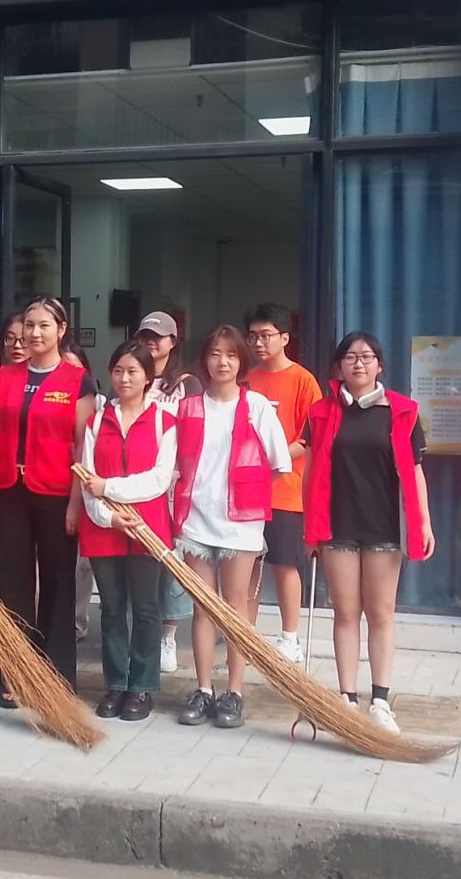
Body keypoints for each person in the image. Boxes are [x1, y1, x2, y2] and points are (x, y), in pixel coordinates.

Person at [303, 331, 436, 735]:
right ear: (338, 366)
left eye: (366, 356)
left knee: (380, 613)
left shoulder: (403, 411)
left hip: (385, 526)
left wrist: (424, 522)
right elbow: (310, 471)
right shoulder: (321, 412)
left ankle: (380, 700)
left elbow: (415, 472)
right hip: (337, 524)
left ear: (380, 365)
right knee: (345, 613)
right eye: (350, 357)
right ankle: (347, 699)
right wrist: (310, 527)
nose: (358, 363)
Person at [173, 325, 291, 729]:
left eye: (231, 355)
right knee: (203, 608)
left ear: (241, 361)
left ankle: (235, 692)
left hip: (241, 526)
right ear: (204, 359)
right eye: (215, 354)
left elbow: (279, 464)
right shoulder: (188, 407)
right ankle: (204, 689)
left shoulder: (256, 406)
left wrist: (246, 496)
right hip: (195, 520)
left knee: (236, 609)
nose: (222, 362)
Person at [0, 296, 96, 697]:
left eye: (44, 325)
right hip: (9, 490)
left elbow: (82, 447)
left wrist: (76, 503)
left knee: (58, 582)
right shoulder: (6, 377)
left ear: (61, 330)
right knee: (13, 582)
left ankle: (56, 675)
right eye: (29, 325)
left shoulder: (78, 381)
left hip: (57, 492)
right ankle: (17, 673)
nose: (34, 333)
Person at [78, 341, 176, 721]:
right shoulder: (96, 422)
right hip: (104, 527)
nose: (124, 378)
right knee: (112, 609)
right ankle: (115, 685)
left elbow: (158, 480)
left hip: (147, 527)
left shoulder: (164, 421)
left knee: (147, 608)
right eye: (118, 370)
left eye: (133, 371)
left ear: (148, 377)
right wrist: (108, 516)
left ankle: (142, 686)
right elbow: (87, 481)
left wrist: (110, 487)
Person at [243, 302, 324, 663]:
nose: (259, 343)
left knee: (284, 564)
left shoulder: (303, 380)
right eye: (253, 336)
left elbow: (309, 438)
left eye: (266, 336)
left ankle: (290, 637)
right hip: (247, 492)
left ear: (285, 338)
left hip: (287, 491)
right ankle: (243, 634)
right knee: (248, 566)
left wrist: (269, 460)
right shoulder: (247, 380)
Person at [135, 310, 201, 675]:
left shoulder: (186, 384)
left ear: (172, 342)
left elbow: (196, 433)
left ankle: (168, 636)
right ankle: (140, 633)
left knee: (171, 561)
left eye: (157, 337)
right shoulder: (132, 376)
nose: (150, 342)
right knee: (139, 559)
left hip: (174, 485)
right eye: (145, 335)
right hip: (136, 484)